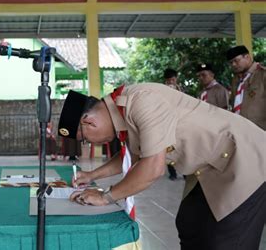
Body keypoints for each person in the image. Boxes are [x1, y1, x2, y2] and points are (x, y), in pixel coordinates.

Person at [57, 85, 265, 250]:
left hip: (243, 158)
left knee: (226, 237)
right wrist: (91, 175)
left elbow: (152, 167)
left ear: (89, 121)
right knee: (190, 224)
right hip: (209, 166)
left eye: (84, 139)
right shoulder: (121, 112)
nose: (91, 144)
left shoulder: (142, 101)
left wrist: (106, 196)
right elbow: (131, 154)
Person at [226, 45, 266, 130]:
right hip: (240, 129)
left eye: (236, 61)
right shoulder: (236, 80)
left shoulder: (263, 75)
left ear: (247, 57)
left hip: (261, 130)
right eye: (230, 63)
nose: (233, 64)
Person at [163, 68, 181, 180]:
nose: (171, 82)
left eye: (173, 80)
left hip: (180, 123)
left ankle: (185, 173)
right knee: (169, 149)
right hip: (167, 124)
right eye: (169, 80)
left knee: (183, 148)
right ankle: (172, 173)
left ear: (176, 79)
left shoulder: (181, 90)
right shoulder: (162, 91)